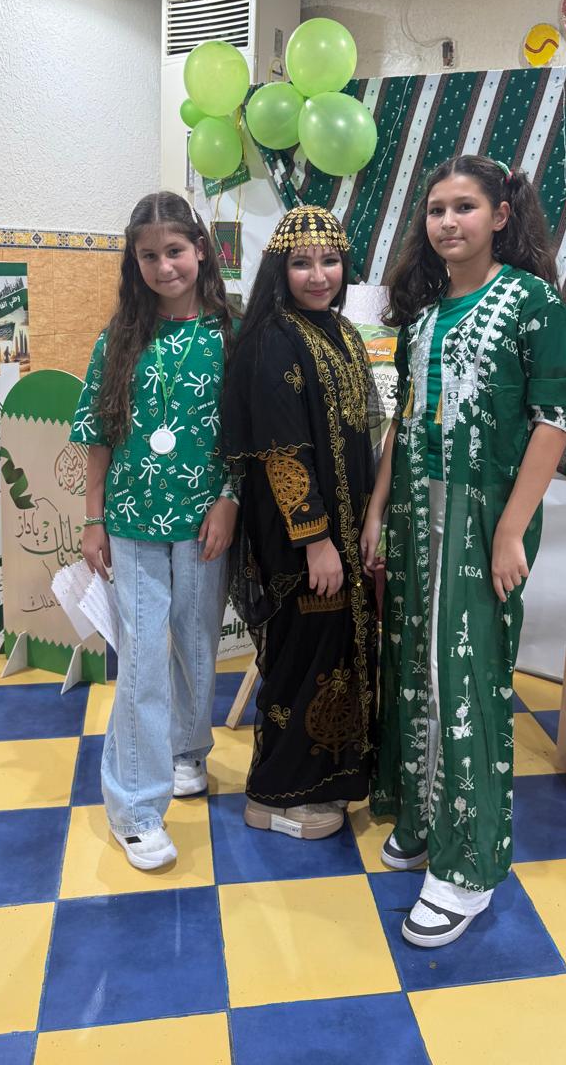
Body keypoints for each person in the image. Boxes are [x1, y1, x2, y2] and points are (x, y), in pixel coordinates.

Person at [361, 154, 566, 947]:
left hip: (484, 518)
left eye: (464, 207)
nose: (447, 222)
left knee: (468, 677)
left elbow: (555, 420)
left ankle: (468, 870)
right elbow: (406, 421)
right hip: (417, 515)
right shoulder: (423, 320)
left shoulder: (532, 303)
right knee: (416, 666)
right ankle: (423, 820)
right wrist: (378, 508)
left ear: (500, 215)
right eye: (435, 209)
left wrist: (512, 529)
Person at [71, 190, 238, 871]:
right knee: (141, 657)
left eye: (175, 251)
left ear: (201, 250)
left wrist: (229, 498)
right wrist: (92, 518)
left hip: (205, 524)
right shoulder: (119, 338)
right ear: (133, 263)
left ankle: (187, 751)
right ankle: (136, 807)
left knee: (198, 645)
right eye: (149, 256)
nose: (165, 266)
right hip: (132, 523)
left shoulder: (231, 334)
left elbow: (247, 432)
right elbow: (98, 433)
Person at [221, 206, 377, 840]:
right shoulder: (272, 339)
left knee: (333, 656)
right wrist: (316, 542)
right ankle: (274, 796)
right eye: (302, 263)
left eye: (330, 261)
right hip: (298, 543)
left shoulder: (340, 331)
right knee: (301, 660)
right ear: (278, 271)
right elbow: (282, 452)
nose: (319, 275)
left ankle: (324, 781)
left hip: (341, 535)